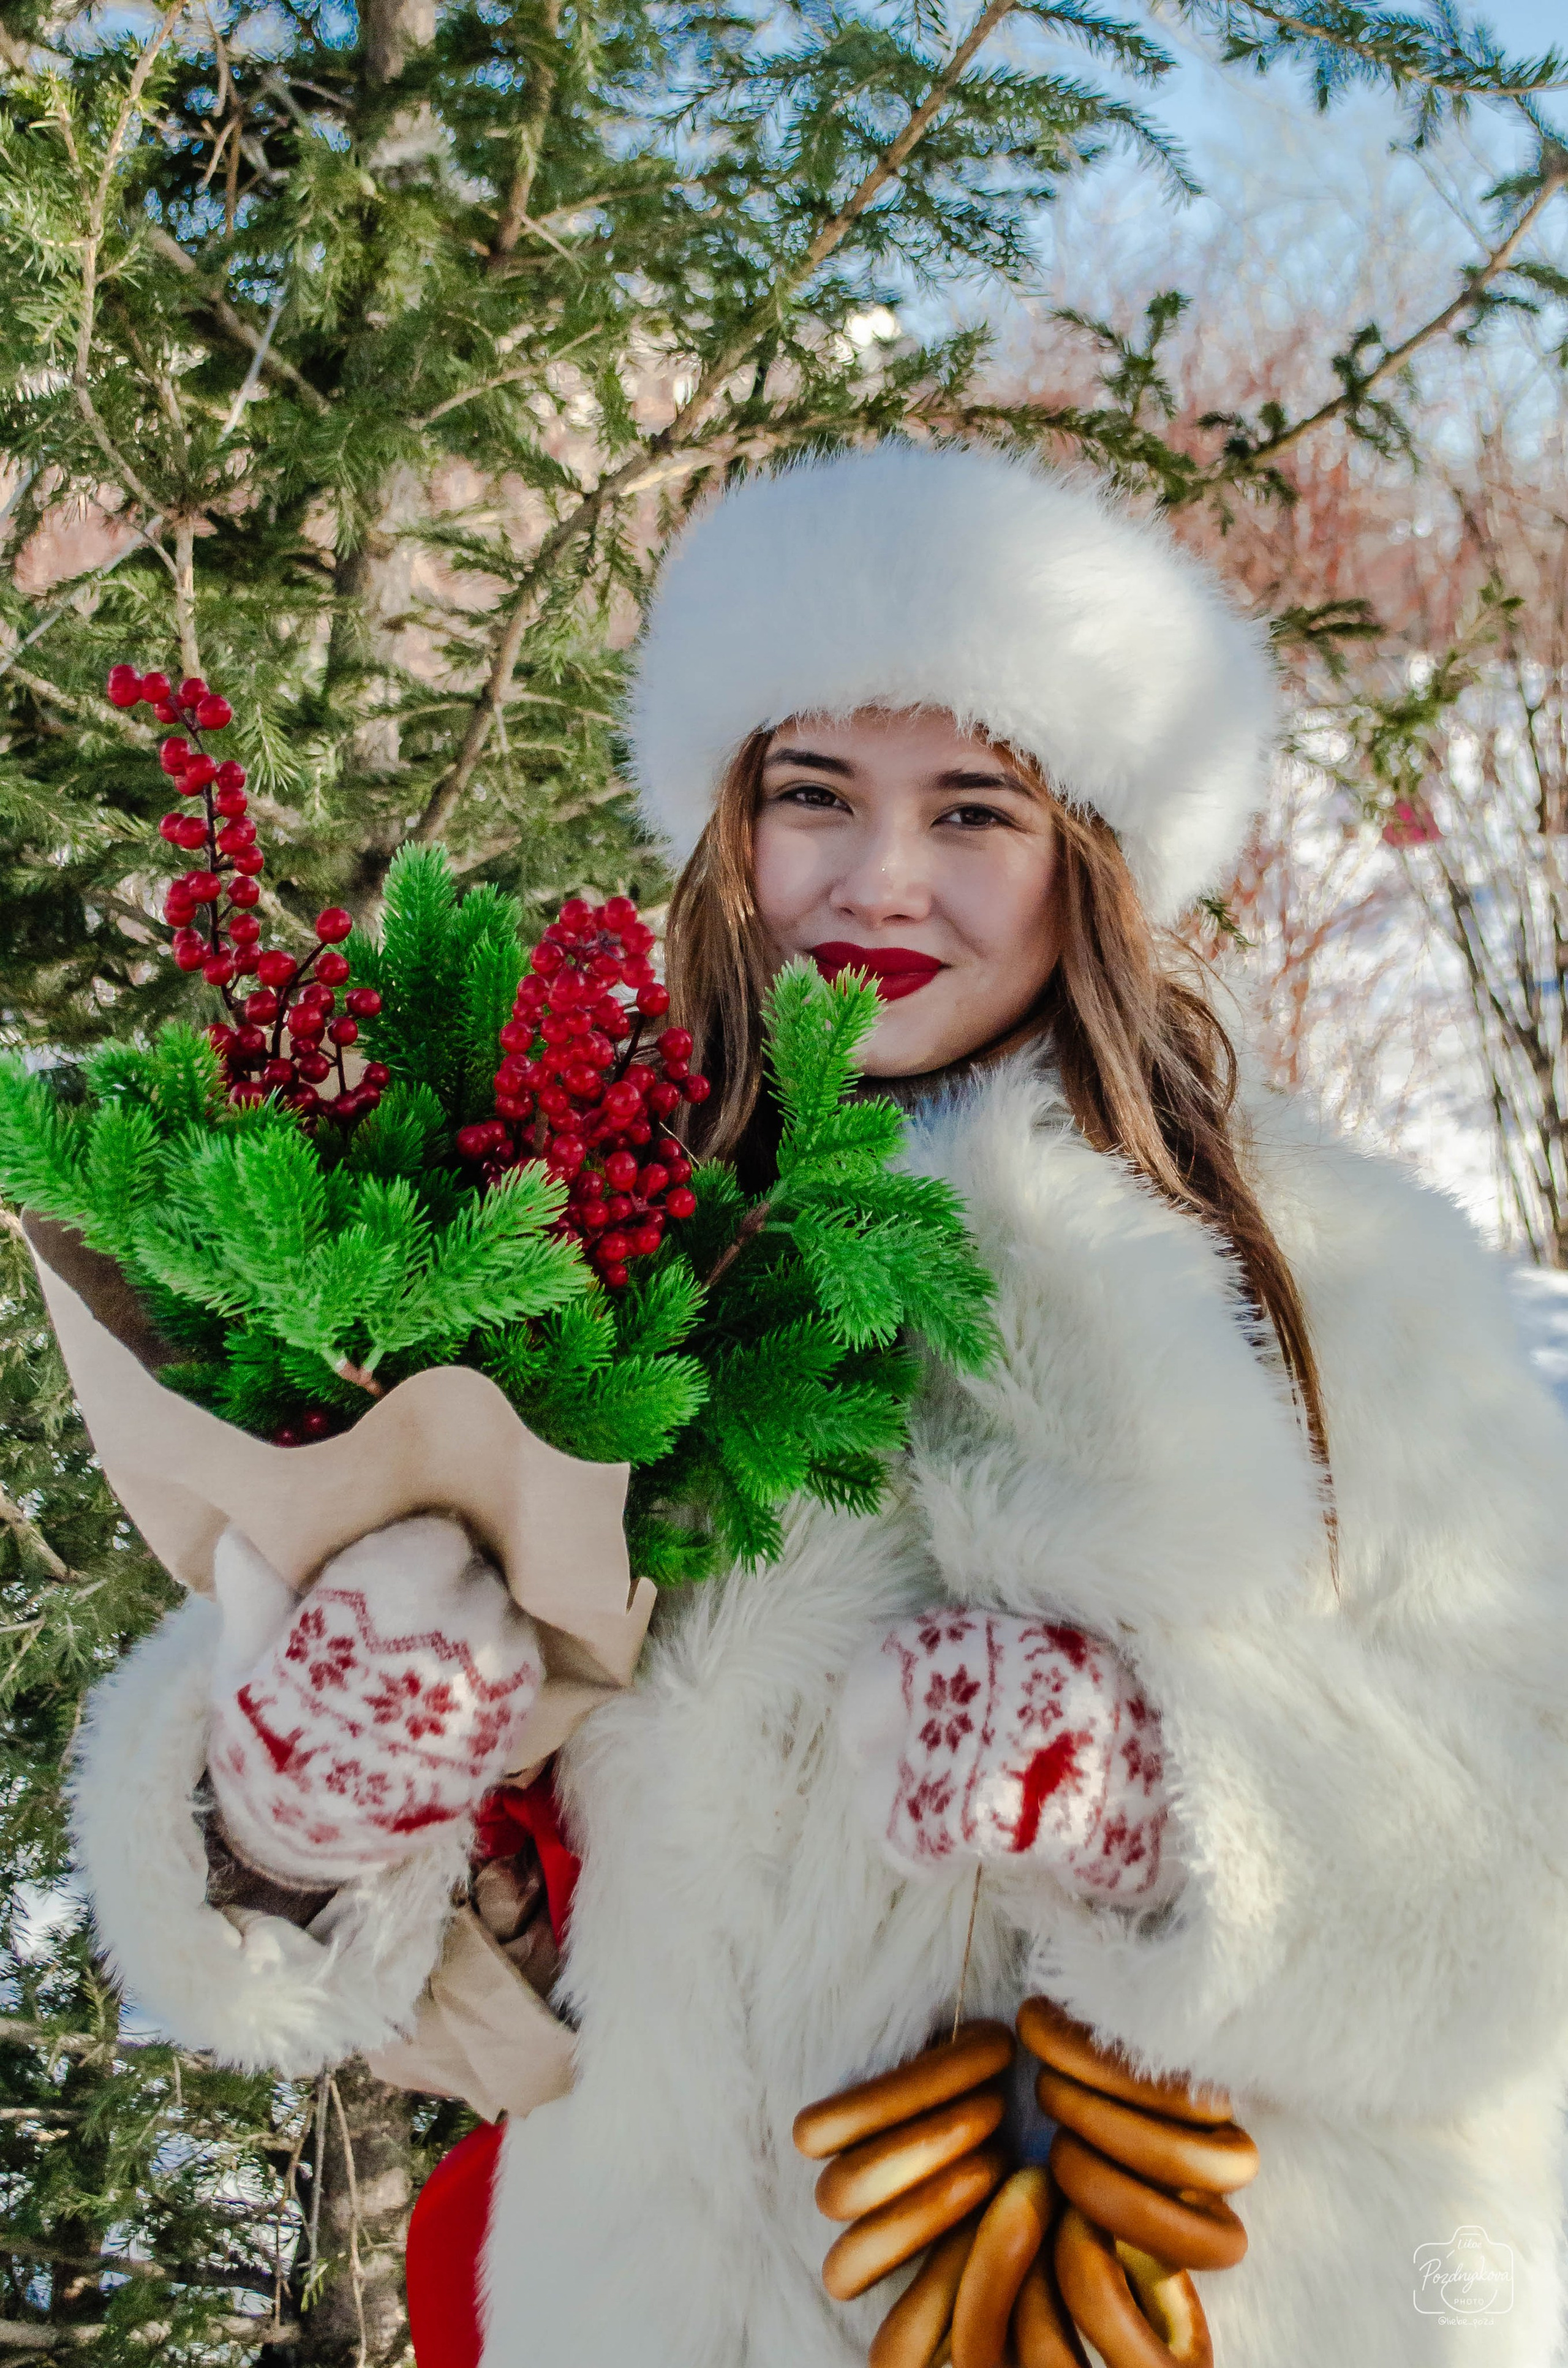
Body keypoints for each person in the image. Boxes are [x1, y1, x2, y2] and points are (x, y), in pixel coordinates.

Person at [72, 444, 1568, 2368]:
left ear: (1090, 847)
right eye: (816, 795)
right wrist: (284, 1798)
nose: (882, 879)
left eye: (973, 808)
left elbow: (1528, 1881)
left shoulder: (1338, 1277)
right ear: (732, 821)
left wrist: (1154, 1791)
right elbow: (361, 1859)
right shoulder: (561, 1220)